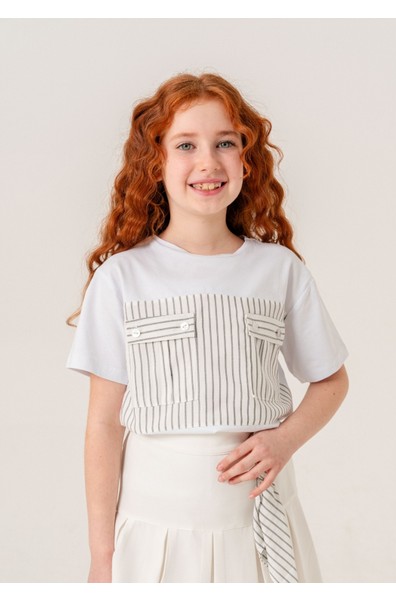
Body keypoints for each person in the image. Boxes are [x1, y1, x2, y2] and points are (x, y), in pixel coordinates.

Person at [65, 72, 349, 584]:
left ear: (246, 159)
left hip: (259, 527)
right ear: (155, 163)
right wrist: (102, 556)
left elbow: (331, 379)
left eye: (225, 143)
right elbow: (104, 425)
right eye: (185, 145)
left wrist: (284, 441)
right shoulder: (123, 277)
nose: (208, 162)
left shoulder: (278, 270)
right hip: (155, 528)